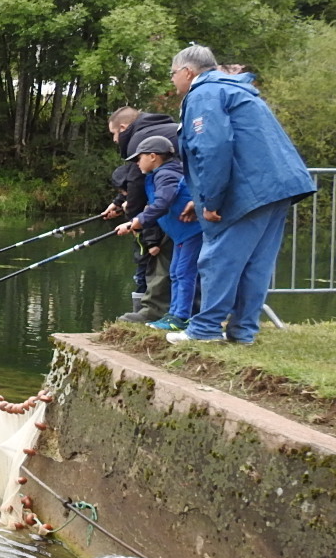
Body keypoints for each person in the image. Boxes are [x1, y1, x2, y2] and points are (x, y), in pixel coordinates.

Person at [166, 45, 315, 345]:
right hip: (276, 188)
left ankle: (206, 329)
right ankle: (243, 331)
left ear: (187, 72)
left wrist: (211, 200)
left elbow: (212, 148)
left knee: (219, 258)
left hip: (249, 191)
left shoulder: (204, 94)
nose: (172, 80)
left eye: (172, 73)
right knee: (256, 263)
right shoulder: (235, 89)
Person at [100, 106, 180, 323]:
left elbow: (138, 182)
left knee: (161, 260)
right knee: (181, 265)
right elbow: (139, 182)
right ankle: (180, 311)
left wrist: (136, 223)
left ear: (123, 127)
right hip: (190, 207)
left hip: (177, 215)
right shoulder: (161, 130)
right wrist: (119, 202)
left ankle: (154, 310)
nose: (115, 140)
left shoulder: (140, 139)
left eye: (114, 134)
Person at [115, 134, 200, 333]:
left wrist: (138, 221)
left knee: (184, 273)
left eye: (139, 158)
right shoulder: (161, 174)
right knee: (176, 272)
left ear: (153, 156)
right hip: (182, 235)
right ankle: (175, 313)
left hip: (193, 232)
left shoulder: (166, 174)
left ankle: (181, 317)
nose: (137, 163)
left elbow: (164, 201)